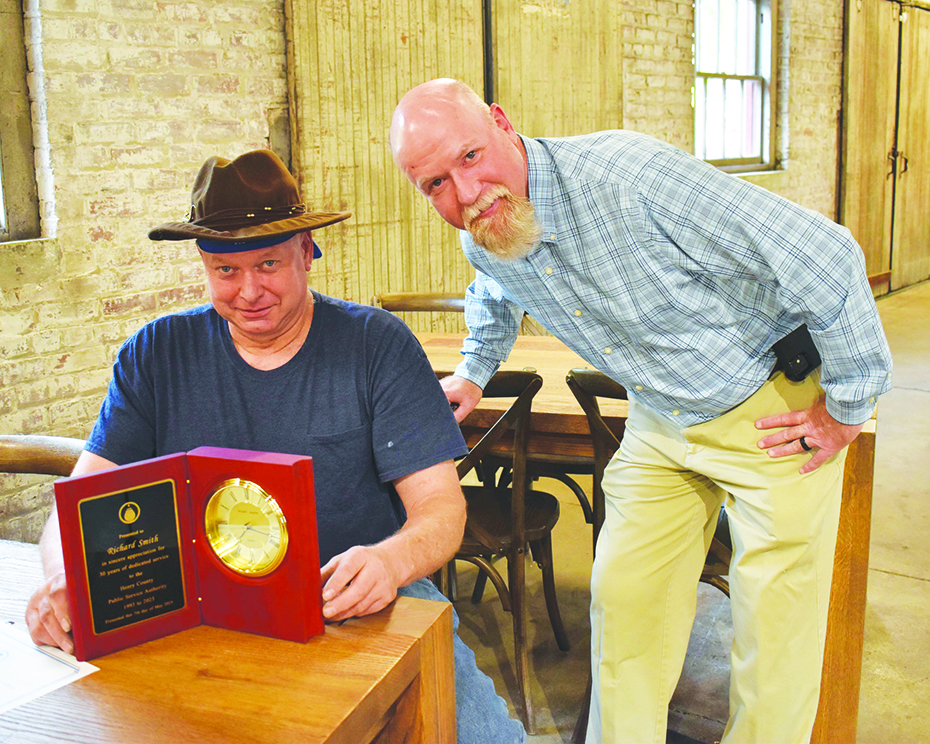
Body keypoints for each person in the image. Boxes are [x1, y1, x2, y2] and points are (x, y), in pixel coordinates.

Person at [390, 78, 893, 743]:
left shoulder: (629, 176)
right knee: (626, 600)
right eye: (434, 185)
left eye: (470, 157)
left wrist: (849, 403)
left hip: (772, 408)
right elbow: (493, 286)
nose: (464, 191)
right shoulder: (484, 229)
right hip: (664, 417)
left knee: (773, 629)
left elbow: (825, 255)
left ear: (503, 125)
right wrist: (475, 372)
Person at [25, 148, 526, 744]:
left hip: (355, 601)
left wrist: (389, 563)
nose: (248, 291)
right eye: (225, 270)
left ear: (307, 252)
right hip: (201, 606)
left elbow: (442, 511)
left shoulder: (375, 346)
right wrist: (65, 580)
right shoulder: (156, 352)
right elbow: (78, 501)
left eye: (268, 264)